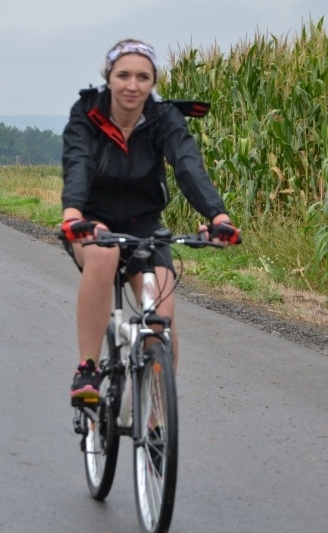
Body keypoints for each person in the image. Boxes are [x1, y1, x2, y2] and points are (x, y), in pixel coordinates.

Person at [60, 39, 241, 400]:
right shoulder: (87, 112)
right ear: (108, 77)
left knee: (160, 324)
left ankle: (157, 427)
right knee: (104, 254)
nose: (133, 85)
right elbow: (78, 162)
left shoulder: (163, 116)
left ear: (153, 81)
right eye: (123, 75)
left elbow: (187, 164)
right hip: (92, 222)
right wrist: (73, 213)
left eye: (143, 77)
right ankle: (89, 368)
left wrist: (217, 215)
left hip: (144, 225)